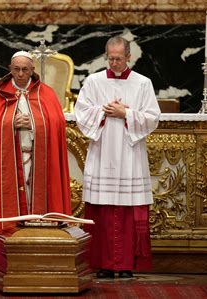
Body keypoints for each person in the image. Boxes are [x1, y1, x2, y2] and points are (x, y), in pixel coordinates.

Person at [0, 51, 71, 266]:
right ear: (10, 69)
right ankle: (3, 262)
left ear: (33, 70)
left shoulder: (46, 94)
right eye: (16, 69)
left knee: (37, 208)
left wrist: (33, 124)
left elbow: (56, 125)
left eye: (25, 70)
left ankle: (40, 259)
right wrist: (10, 123)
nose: (20, 74)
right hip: (6, 167)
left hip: (38, 165)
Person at [74, 36, 161, 279]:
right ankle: (102, 263)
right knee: (101, 210)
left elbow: (153, 117)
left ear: (129, 57)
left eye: (118, 58)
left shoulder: (142, 83)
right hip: (103, 153)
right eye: (110, 58)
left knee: (127, 211)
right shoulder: (93, 81)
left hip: (129, 155)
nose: (113, 62)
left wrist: (126, 113)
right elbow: (81, 113)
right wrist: (102, 111)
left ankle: (125, 265)